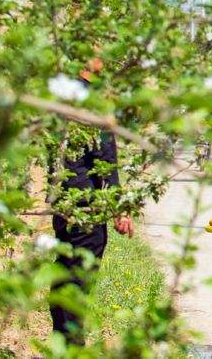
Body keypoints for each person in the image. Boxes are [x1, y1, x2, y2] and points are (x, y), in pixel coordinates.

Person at [48, 120, 134, 343]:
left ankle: (60, 345)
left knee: (64, 274)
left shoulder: (62, 100)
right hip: (86, 209)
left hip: (63, 206)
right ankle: (70, 349)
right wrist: (120, 210)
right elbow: (105, 160)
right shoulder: (93, 107)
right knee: (77, 282)